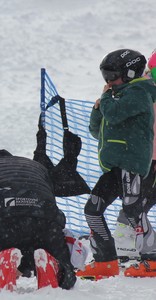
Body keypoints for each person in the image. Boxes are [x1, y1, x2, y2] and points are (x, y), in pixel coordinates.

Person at [0, 115, 90, 293]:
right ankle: (53, 267)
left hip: (3, 224)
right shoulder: (36, 167)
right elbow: (48, 209)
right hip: (46, 225)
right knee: (63, 265)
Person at [75, 49, 156, 278]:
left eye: (113, 76)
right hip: (114, 166)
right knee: (92, 210)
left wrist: (107, 99)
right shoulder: (118, 95)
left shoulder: (141, 92)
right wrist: (97, 108)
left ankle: (152, 256)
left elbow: (114, 114)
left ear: (130, 73)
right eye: (105, 77)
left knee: (133, 211)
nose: (109, 82)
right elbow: (96, 129)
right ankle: (105, 260)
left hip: (131, 163)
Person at [113, 49, 156, 260]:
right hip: (146, 158)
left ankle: (132, 240)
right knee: (137, 201)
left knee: (141, 201)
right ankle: (127, 242)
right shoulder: (142, 88)